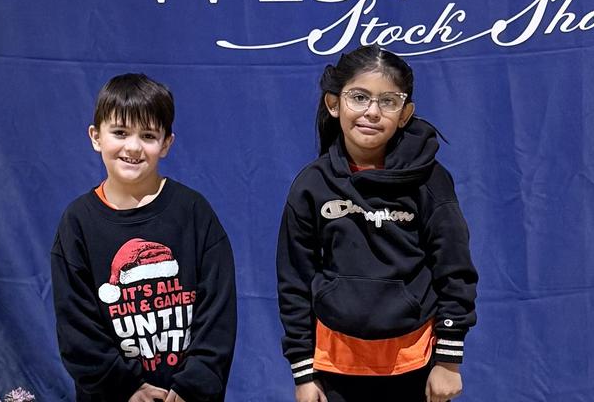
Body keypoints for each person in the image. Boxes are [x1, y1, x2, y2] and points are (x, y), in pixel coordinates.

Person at [277, 46, 478, 402]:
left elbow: (455, 271)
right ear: (333, 104)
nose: (372, 111)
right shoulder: (312, 185)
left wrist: (448, 360)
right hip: (335, 366)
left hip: (416, 361)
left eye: (388, 101)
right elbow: (295, 281)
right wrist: (303, 372)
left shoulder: (430, 180)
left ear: (405, 114)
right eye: (359, 97)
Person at [51, 73, 237, 402]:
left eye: (148, 135)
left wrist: (190, 385)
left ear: (166, 143)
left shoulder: (193, 212)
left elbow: (218, 314)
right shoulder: (77, 223)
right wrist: (128, 387)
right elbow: (76, 330)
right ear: (96, 136)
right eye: (120, 132)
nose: (133, 147)